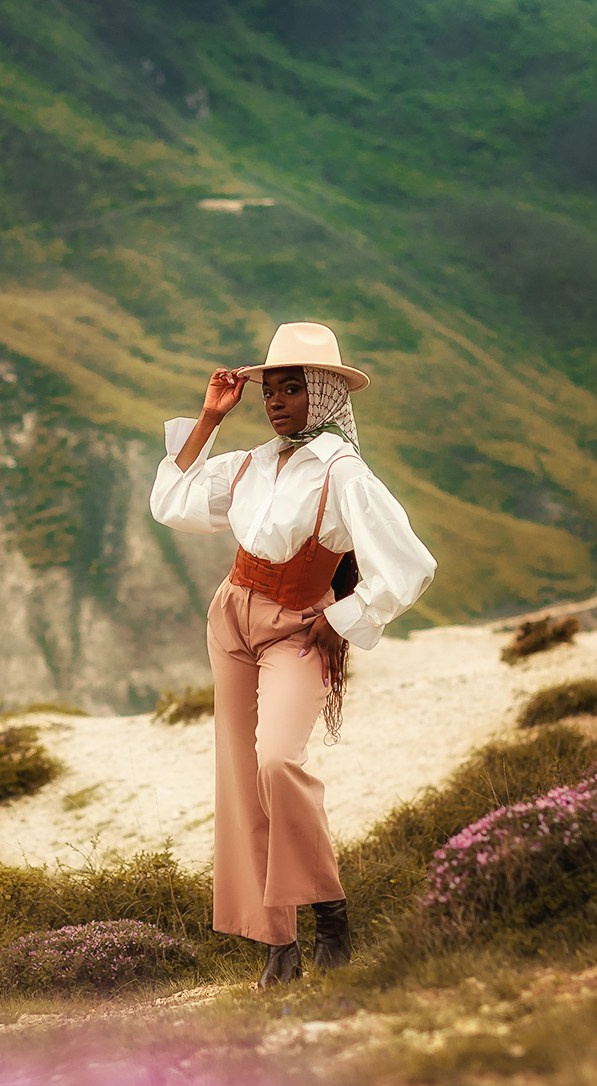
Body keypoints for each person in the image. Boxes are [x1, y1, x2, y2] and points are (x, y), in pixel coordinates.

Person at [150, 322, 437, 988]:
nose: (274, 402)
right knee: (240, 779)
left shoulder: (344, 474)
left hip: (296, 629)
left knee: (278, 761)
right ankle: (278, 945)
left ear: (324, 393)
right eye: (269, 390)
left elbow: (410, 565)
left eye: (290, 389)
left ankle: (330, 907)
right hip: (230, 617)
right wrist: (209, 418)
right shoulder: (250, 462)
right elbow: (170, 501)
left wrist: (347, 617)